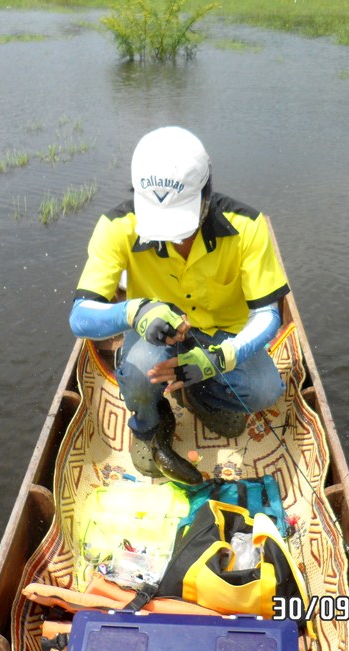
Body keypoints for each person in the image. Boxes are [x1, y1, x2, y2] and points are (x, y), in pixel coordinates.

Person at [69, 126, 289, 484]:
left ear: (206, 196)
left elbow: (267, 315)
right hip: (155, 342)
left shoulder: (247, 226)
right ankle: (149, 425)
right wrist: (135, 311)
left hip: (223, 338)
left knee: (266, 389)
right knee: (139, 375)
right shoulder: (115, 227)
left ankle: (200, 395)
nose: (174, 237)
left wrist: (220, 358)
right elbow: (80, 317)